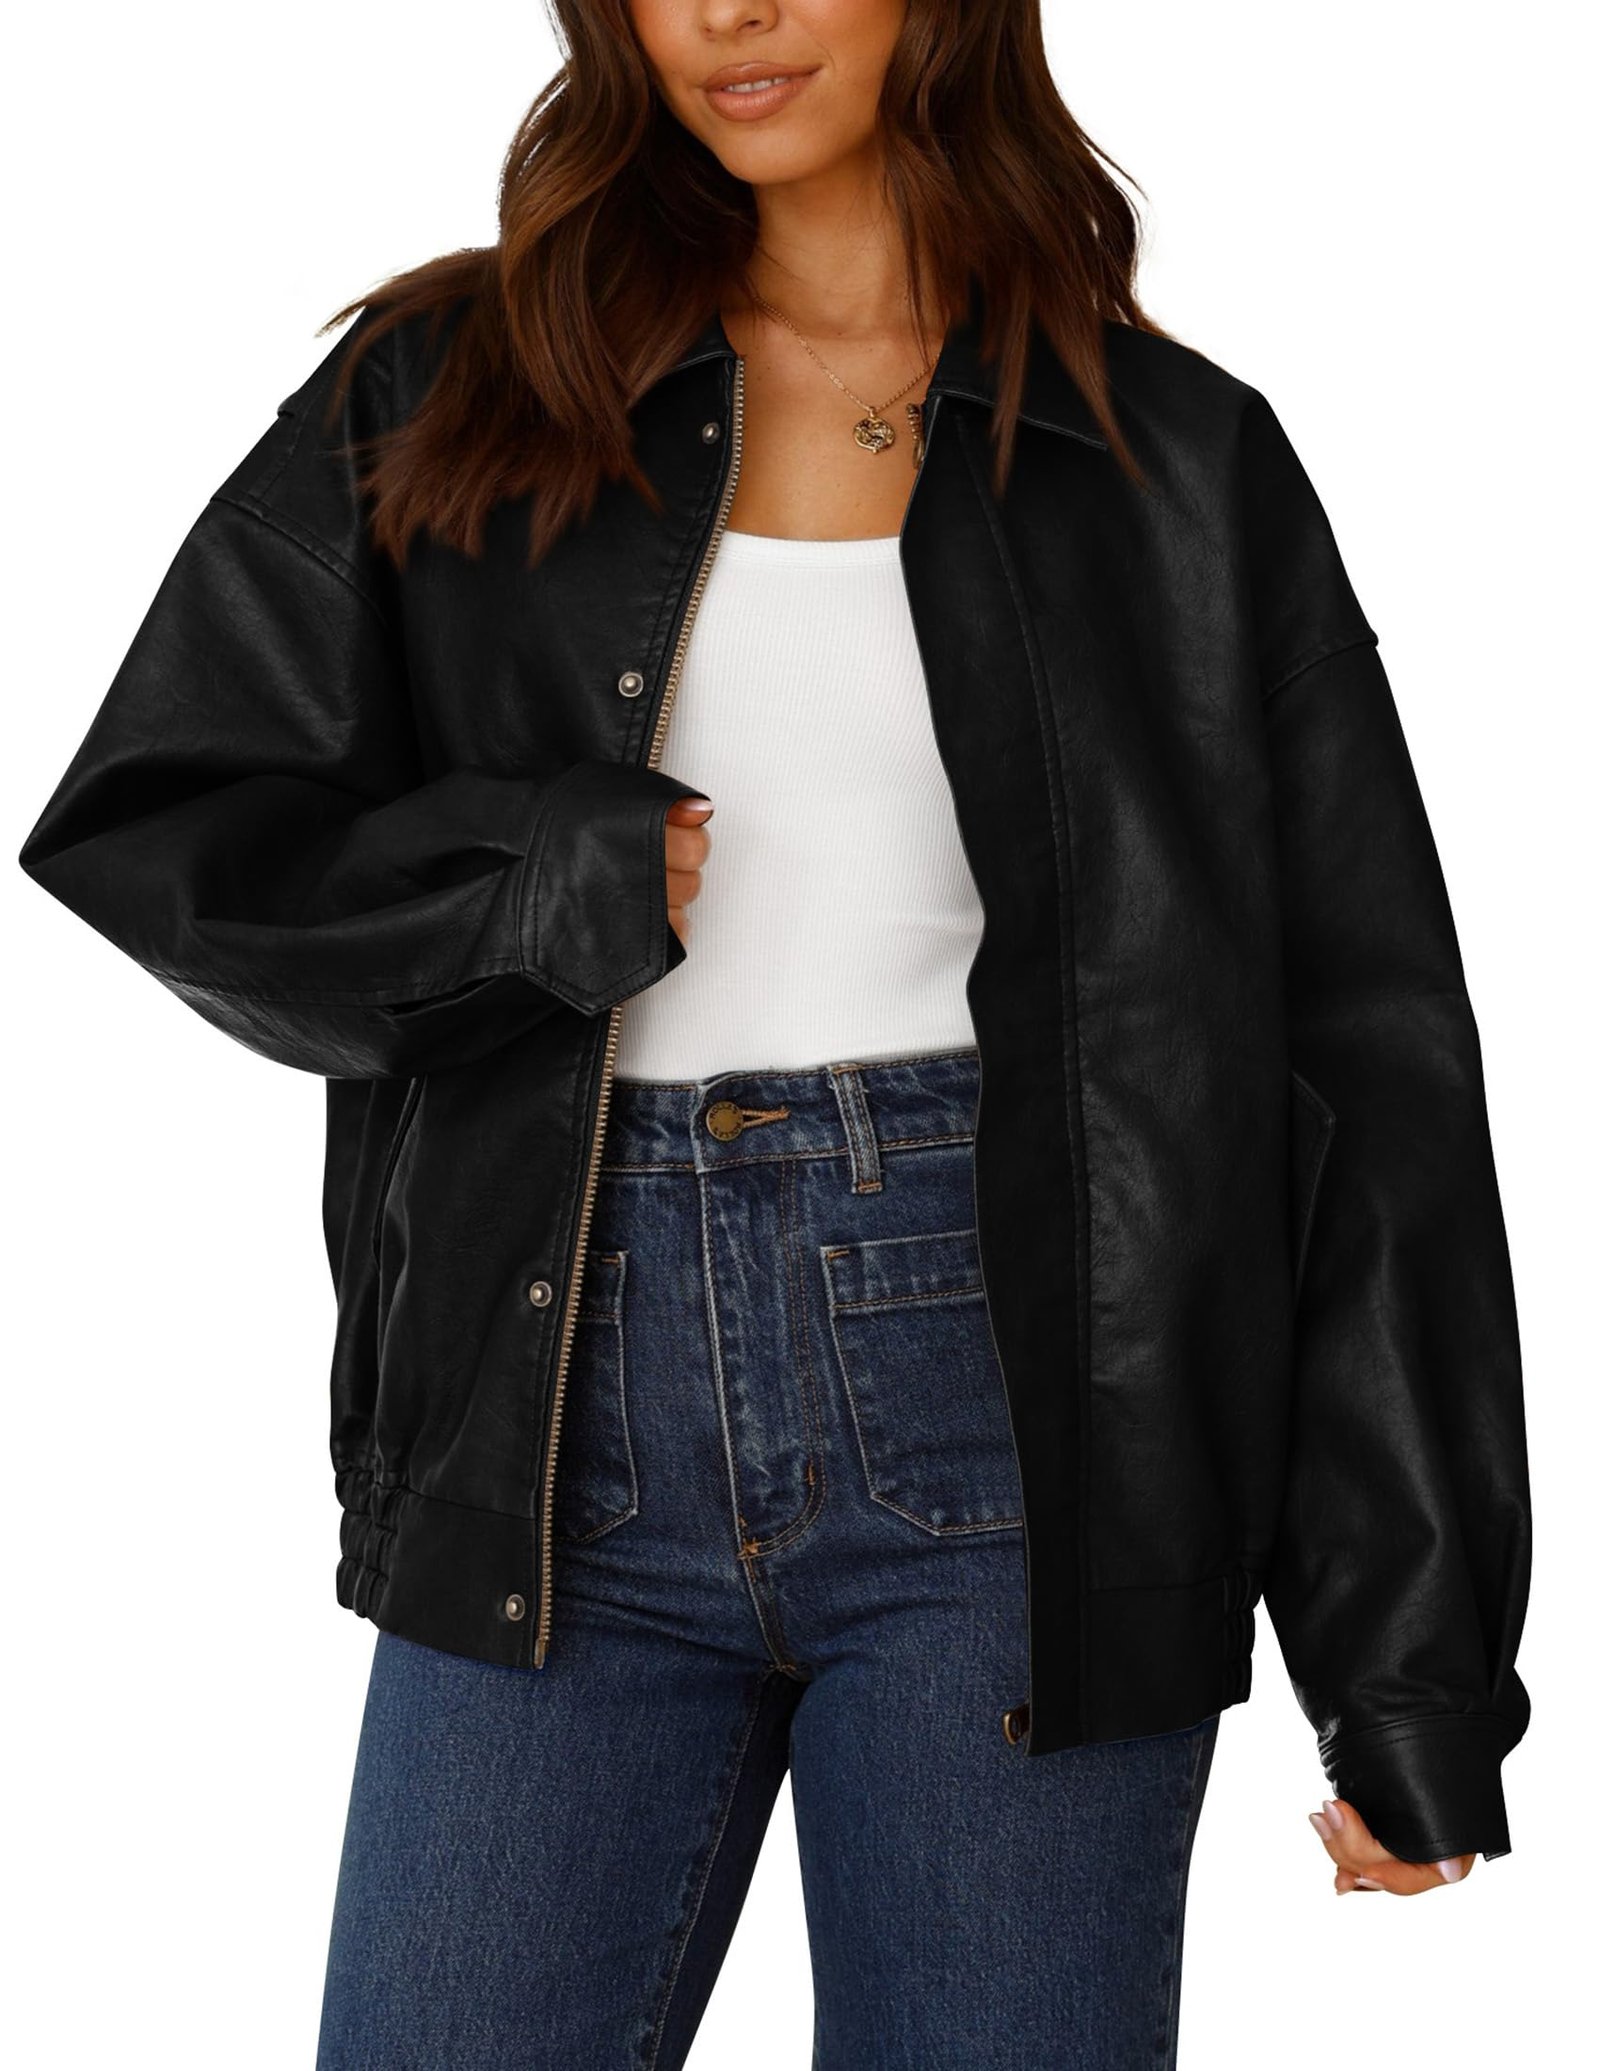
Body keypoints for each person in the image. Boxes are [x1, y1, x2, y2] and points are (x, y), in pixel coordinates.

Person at [16, 2, 1532, 2065]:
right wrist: (516, 888)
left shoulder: (1173, 464)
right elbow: (159, 824)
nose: (728, 9)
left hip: (1024, 1442)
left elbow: (1363, 1068)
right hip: (556, 1420)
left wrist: (1408, 1671)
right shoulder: (452, 387)